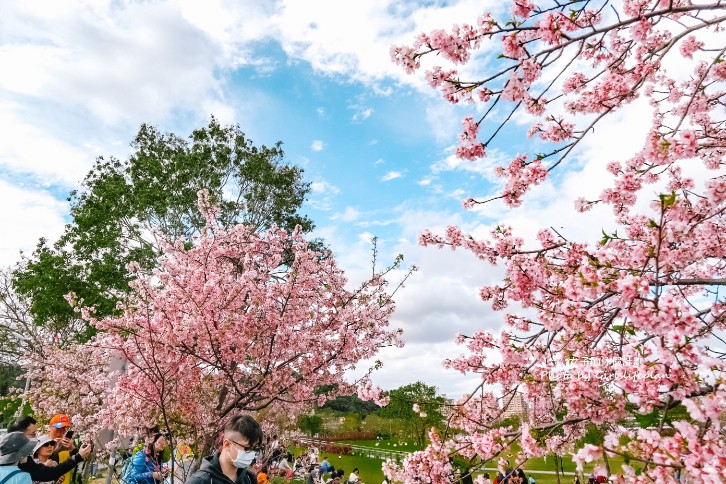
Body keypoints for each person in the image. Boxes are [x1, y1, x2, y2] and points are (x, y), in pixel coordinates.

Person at [185, 415, 263, 484]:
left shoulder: (249, 478)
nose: (251, 453)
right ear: (227, 444)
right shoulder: (201, 480)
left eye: (254, 448)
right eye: (247, 448)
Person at [8, 418, 89, 483]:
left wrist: (74, 450)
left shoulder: (24, 458)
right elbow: (43, 474)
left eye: (64, 428)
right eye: (58, 428)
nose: (61, 431)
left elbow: (48, 474)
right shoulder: (11, 458)